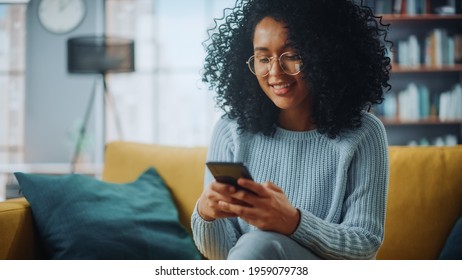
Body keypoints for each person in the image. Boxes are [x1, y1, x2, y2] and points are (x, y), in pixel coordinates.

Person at [191, 0, 391, 260]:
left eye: (293, 56)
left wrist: (293, 222)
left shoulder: (364, 132)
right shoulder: (230, 131)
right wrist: (205, 214)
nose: (275, 72)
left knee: (258, 245)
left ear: (324, 55)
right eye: (263, 58)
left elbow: (364, 245)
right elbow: (222, 256)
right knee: (254, 246)